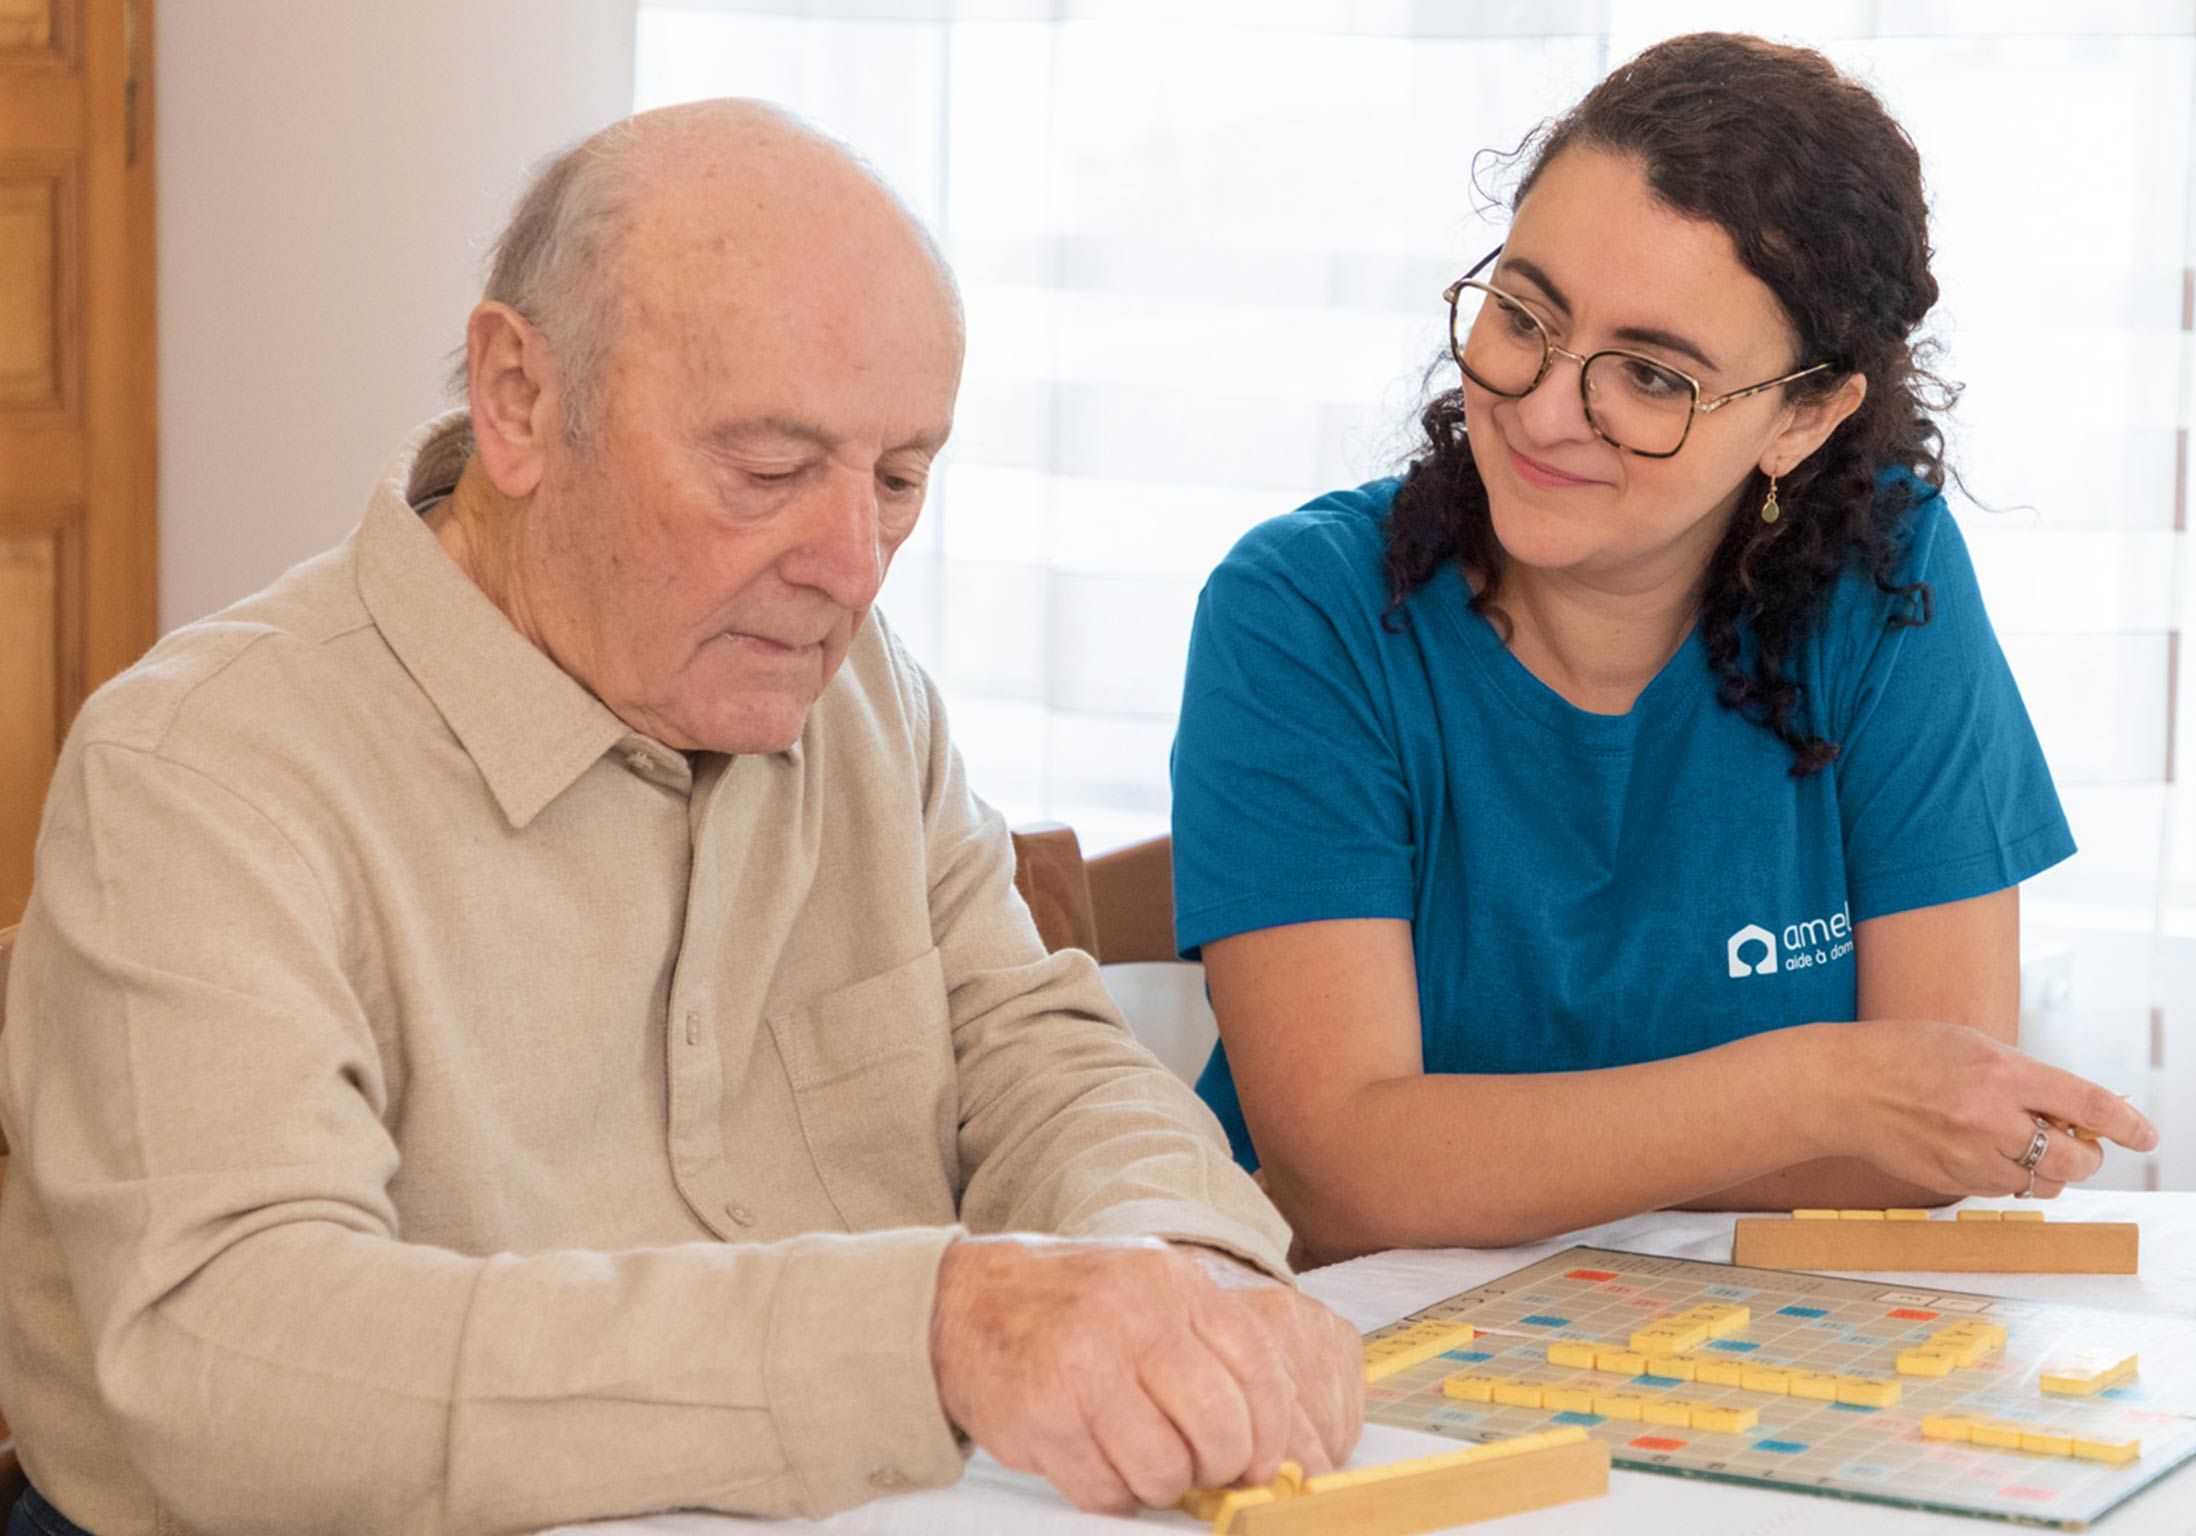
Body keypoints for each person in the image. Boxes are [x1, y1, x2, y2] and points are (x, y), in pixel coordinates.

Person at [0, 102, 1360, 1536]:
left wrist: (1175, 1276)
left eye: (900, 478)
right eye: (768, 471)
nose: (851, 565)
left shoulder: (857, 698)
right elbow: (239, 1369)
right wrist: (934, 1329)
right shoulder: (203, 768)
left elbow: (1035, 1059)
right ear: (519, 400)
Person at [1169, 32, 2159, 1268]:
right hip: (1347, 1352)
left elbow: (1932, 1148)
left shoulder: (1883, 576)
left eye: (1649, 375)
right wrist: (1820, 1091)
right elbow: (1348, 1178)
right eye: (1524, 314)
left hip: (1726, 1340)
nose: (1539, 410)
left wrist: (1478, 1154)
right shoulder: (1300, 613)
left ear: (1804, 415)